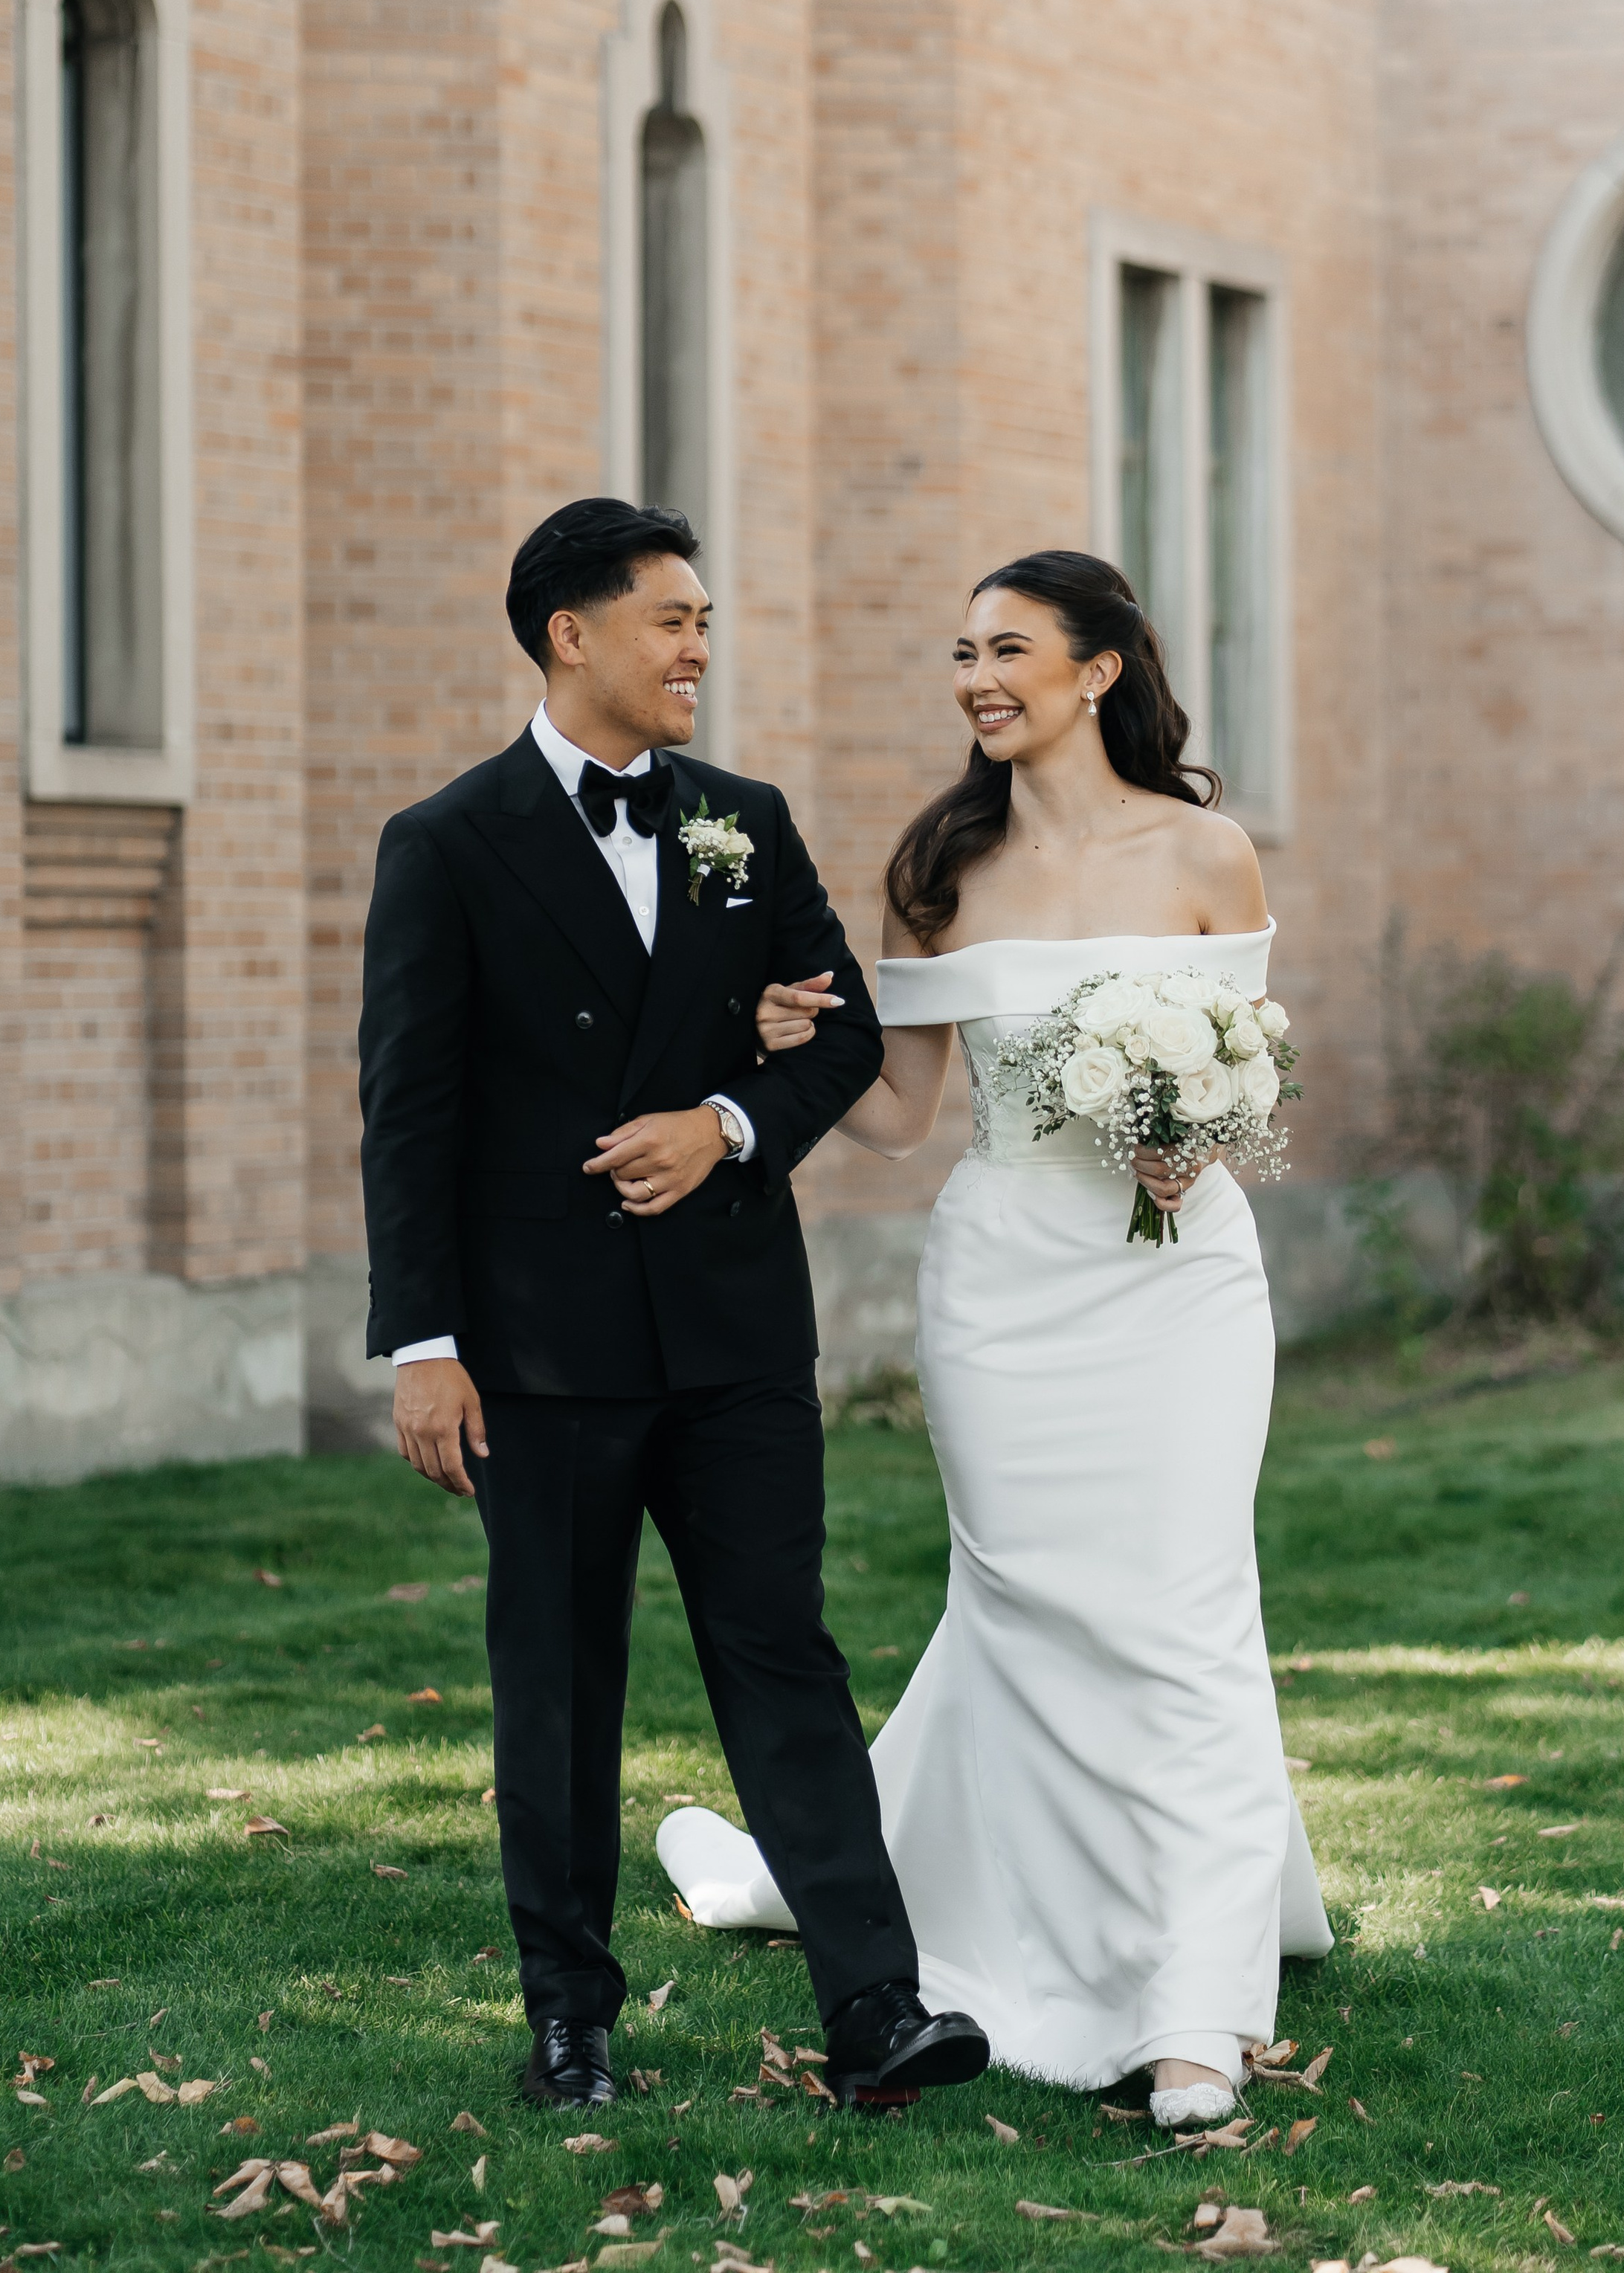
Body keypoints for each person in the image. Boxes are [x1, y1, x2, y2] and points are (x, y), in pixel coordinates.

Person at [660, 550, 1330, 2126]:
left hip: (1174, 1290)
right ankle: (1032, 1921)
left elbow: (1246, 1078)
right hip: (1004, 1279)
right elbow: (900, 1116)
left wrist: (1197, 1136)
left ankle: (1191, 2011)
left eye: (1008, 648)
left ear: (1097, 670)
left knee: (1181, 1618)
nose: (976, 677)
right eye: (960, 651)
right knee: (1026, 1607)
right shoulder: (938, 862)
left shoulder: (1205, 852)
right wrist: (784, 1043)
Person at [358, 496, 990, 2114]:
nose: (700, 643)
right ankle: (570, 2022)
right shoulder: (446, 842)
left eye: (705, 619)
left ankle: (876, 2010)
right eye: (671, 618)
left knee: (783, 1660)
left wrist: (722, 1124)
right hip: (538, 1352)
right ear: (571, 635)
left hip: (732, 1339)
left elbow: (840, 1036)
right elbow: (407, 1110)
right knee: (557, 1686)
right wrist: (423, 1346)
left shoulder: (740, 818)